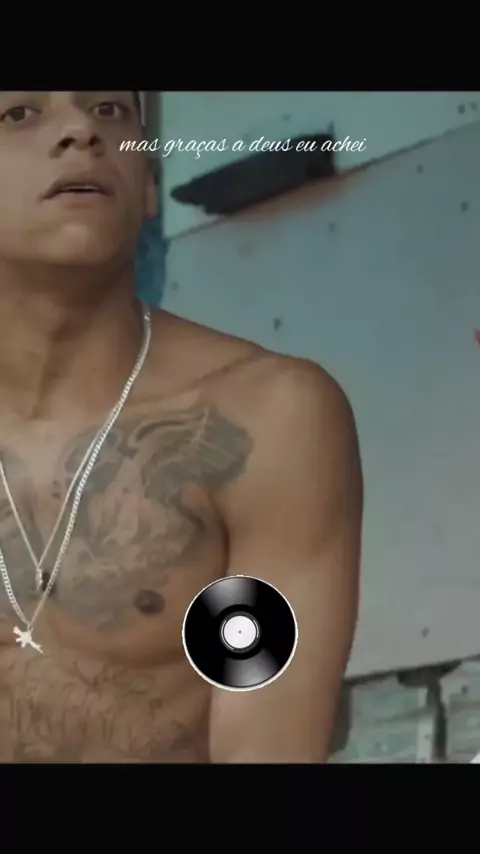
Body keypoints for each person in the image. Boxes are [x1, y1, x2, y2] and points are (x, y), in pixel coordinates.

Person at [0, 91, 363, 763]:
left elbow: (267, 756)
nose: (81, 130)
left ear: (149, 183)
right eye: (20, 113)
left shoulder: (265, 421)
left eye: (110, 109)